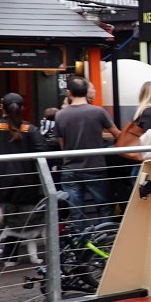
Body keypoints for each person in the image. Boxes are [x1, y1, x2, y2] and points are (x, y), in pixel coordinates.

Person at [54, 76, 120, 223]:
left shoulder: (60, 115)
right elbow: (117, 134)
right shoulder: (98, 112)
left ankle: (82, 243)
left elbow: (62, 145)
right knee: (104, 207)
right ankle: (106, 240)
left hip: (70, 168)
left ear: (69, 93)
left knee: (76, 211)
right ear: (85, 92)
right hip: (95, 166)